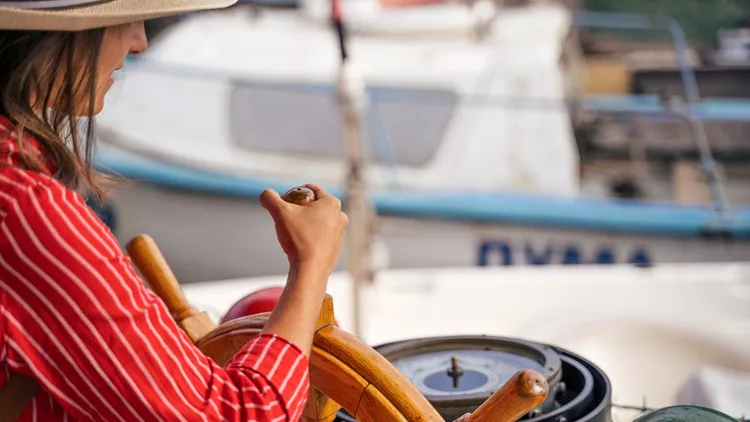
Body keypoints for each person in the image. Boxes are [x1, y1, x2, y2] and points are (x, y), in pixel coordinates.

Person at [0, 1, 349, 420]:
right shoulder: (26, 212)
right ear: (50, 36)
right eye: (121, 19)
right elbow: (237, 414)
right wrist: (310, 265)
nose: (140, 42)